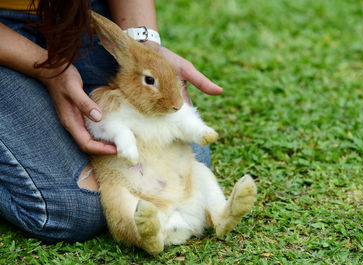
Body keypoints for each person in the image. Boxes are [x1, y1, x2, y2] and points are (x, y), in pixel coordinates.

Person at [0, 0, 222, 242]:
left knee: (190, 159)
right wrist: (50, 70)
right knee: (76, 206)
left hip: (72, 7)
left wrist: (144, 44)